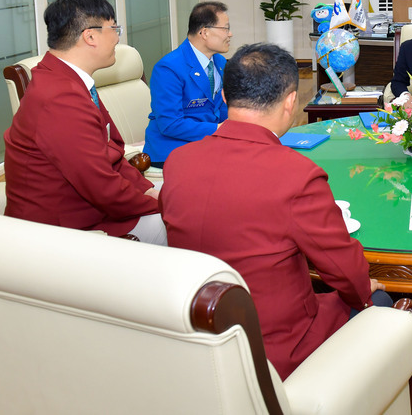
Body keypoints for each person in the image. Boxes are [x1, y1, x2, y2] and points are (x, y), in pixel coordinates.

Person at [160, 42, 390, 379]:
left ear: (224, 98)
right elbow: (346, 274)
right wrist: (365, 288)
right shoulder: (296, 174)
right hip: (277, 348)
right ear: (291, 101)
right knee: (380, 301)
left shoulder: (178, 162)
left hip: (198, 335)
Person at [4, 0, 163, 243]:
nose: (118, 37)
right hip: (60, 234)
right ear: (90, 36)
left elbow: (112, 153)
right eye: (114, 28)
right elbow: (100, 186)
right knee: (188, 222)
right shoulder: (59, 98)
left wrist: (148, 190)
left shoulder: (70, 81)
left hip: (92, 209)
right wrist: (163, 205)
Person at [144, 1, 230, 167]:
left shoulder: (219, 62)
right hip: (172, 150)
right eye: (225, 28)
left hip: (208, 144)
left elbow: (224, 107)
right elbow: (170, 124)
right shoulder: (169, 68)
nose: (230, 34)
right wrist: (218, 130)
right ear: (204, 32)